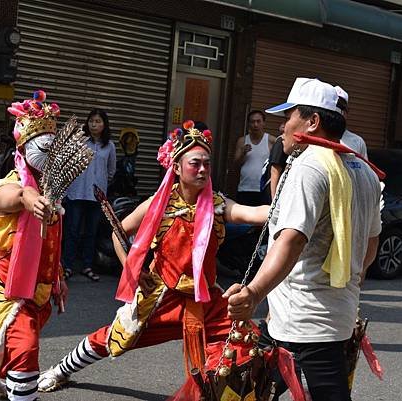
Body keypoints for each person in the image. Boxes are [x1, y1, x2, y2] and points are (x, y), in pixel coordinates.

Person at [37, 120, 270, 393]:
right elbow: (118, 232)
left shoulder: (219, 205)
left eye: (207, 163)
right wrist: (133, 272)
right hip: (162, 297)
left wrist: (289, 204)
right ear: (177, 167)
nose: (203, 169)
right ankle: (61, 369)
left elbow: (255, 213)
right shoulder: (159, 205)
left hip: (205, 300)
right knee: (114, 338)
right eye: (195, 163)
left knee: (245, 342)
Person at [225, 77, 382, 401]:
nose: (282, 125)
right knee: (255, 389)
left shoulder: (310, 166)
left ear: (313, 122)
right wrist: (348, 281)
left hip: (306, 321)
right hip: (326, 315)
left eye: (289, 116)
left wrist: (253, 292)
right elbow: (371, 244)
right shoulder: (364, 170)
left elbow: (292, 240)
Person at [0, 91, 68, 401]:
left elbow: (50, 242)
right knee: (25, 349)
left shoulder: (53, 191)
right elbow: (18, 198)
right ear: (24, 147)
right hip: (9, 293)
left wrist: (58, 275)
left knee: (8, 346)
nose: (52, 153)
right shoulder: (7, 186)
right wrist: (32, 201)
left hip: (40, 291)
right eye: (45, 147)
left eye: (55, 147)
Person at [62, 108, 116, 281]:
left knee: (92, 233)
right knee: (72, 231)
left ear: (104, 125)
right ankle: (67, 266)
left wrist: (100, 181)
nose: (94, 124)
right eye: (91, 121)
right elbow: (68, 164)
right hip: (76, 193)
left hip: (97, 196)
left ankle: (87, 266)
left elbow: (111, 171)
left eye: (98, 121)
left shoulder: (109, 146)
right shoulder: (79, 141)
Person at [234, 110, 273, 206]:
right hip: (245, 188)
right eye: (252, 122)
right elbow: (236, 164)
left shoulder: (271, 140)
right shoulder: (242, 141)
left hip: (263, 189)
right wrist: (243, 153)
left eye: (258, 121)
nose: (255, 125)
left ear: (264, 123)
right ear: (248, 124)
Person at [335, 86, 368, 159]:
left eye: (341, 108)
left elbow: (363, 169)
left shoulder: (358, 142)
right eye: (335, 107)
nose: (337, 112)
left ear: (347, 113)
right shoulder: (316, 136)